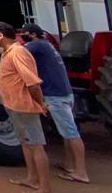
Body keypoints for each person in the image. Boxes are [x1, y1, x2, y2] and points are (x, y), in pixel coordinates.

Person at [0, 21, 54, 193]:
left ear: (1, 36)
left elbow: (32, 83)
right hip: (14, 106)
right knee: (25, 143)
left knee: (36, 145)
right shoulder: (8, 52)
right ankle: (32, 178)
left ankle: (46, 191)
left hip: (24, 106)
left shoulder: (18, 52)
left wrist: (40, 103)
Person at [21, 23, 89, 184]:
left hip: (55, 95)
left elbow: (16, 52)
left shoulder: (36, 45)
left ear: (32, 34)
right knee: (66, 132)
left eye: (24, 33)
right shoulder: (48, 45)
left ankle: (81, 172)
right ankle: (69, 164)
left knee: (71, 133)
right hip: (65, 92)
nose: (23, 36)